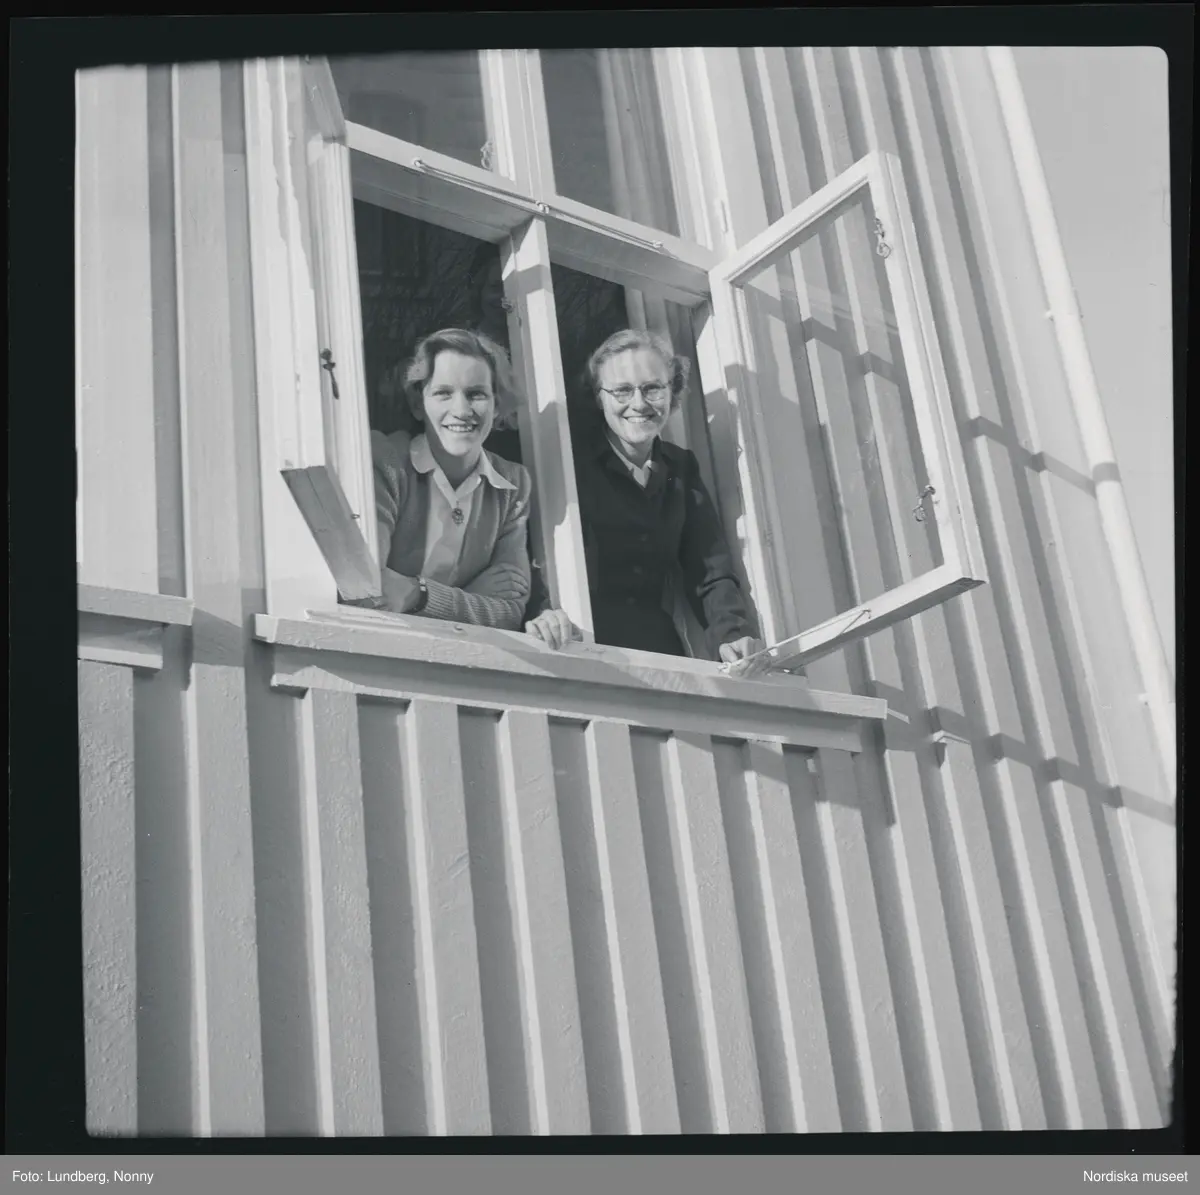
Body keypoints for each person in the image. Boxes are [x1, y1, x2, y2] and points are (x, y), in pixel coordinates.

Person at [524, 328, 768, 675]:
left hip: (658, 655)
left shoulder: (680, 468)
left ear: (672, 391)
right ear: (599, 398)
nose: (639, 404)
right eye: (622, 390)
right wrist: (540, 610)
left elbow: (709, 570)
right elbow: (524, 552)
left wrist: (732, 635)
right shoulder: (569, 465)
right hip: (575, 647)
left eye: (652, 388)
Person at [370, 328, 532, 629]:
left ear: (497, 405)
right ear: (418, 404)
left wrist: (417, 595)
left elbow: (510, 612)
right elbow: (371, 589)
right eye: (443, 393)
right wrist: (469, 595)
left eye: (476, 394)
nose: (461, 410)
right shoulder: (385, 461)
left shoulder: (512, 484)